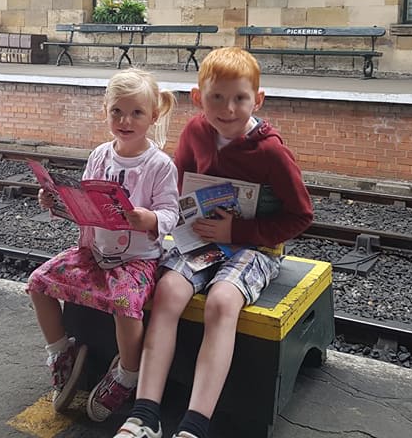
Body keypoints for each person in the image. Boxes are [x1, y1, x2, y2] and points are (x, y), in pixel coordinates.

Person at [113, 47, 313, 438]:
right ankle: (145, 413)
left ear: (257, 99)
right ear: (197, 98)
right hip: (201, 237)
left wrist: (236, 233)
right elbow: (175, 186)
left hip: (255, 247)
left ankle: (195, 424)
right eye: (216, 98)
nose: (228, 109)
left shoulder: (271, 151)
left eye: (239, 98)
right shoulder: (195, 132)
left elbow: (300, 215)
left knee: (223, 301)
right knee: (169, 289)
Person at [26, 67, 181, 422]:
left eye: (136, 113)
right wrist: (56, 202)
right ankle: (60, 351)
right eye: (117, 111)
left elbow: (172, 211)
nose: (125, 120)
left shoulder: (159, 165)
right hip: (94, 251)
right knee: (39, 283)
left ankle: (128, 373)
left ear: (153, 116)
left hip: (137, 259)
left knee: (126, 305)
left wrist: (151, 219)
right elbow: (83, 201)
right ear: (106, 110)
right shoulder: (99, 155)